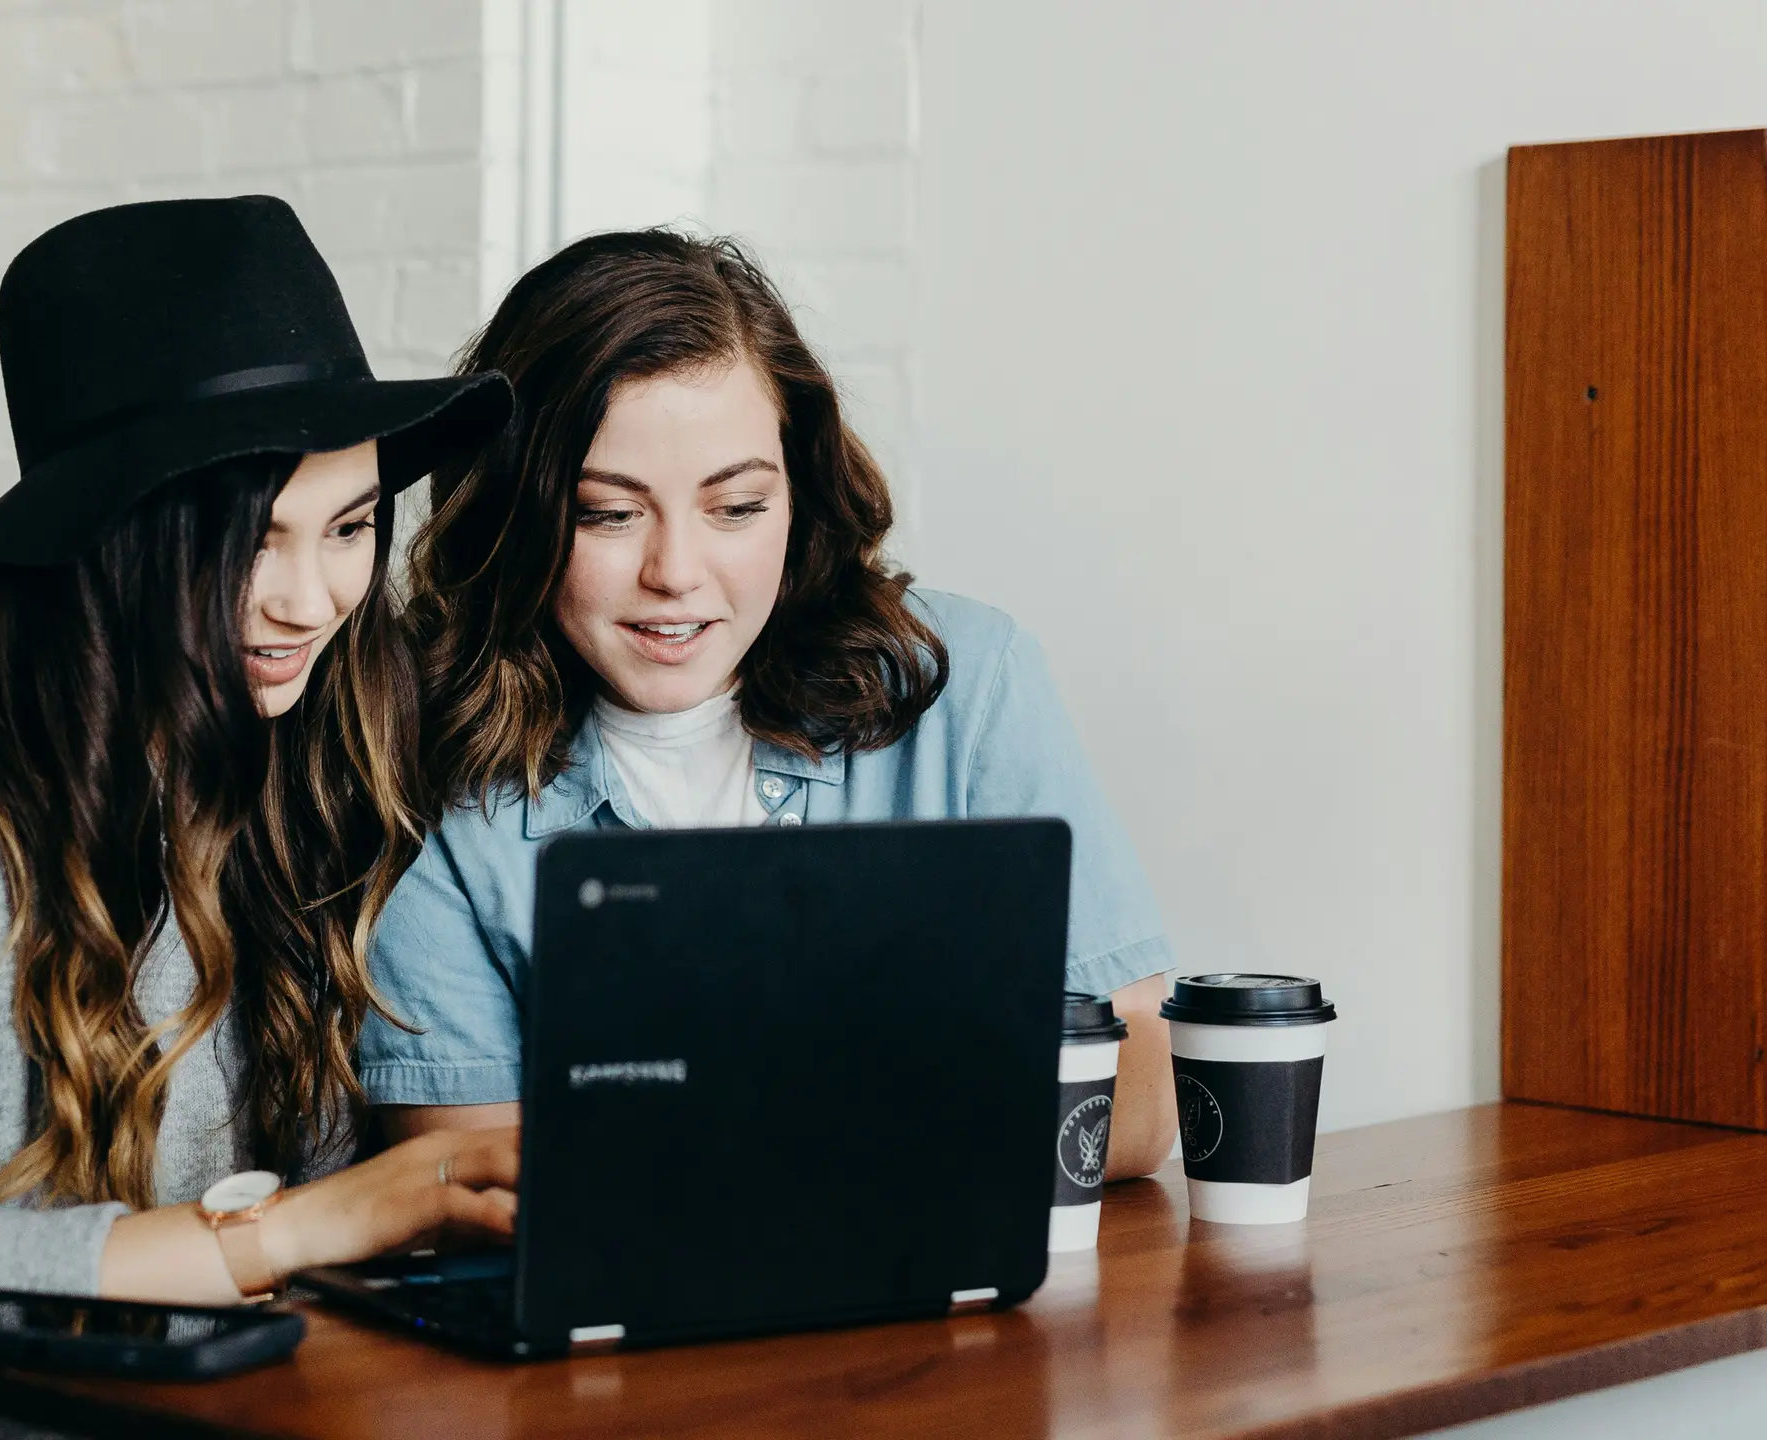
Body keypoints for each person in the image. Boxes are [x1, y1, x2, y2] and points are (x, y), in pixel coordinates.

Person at [0, 197, 518, 1438]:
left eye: (348, 528)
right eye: (247, 539)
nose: (308, 599)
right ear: (109, 537)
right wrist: (300, 1226)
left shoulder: (308, 768)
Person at [361, 230, 1181, 1179]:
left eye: (737, 507)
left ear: (799, 496)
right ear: (515, 515)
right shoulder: (424, 764)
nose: (675, 574)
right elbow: (463, 1183)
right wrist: (911, 1095)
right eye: (608, 514)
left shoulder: (963, 682)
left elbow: (1137, 1101)